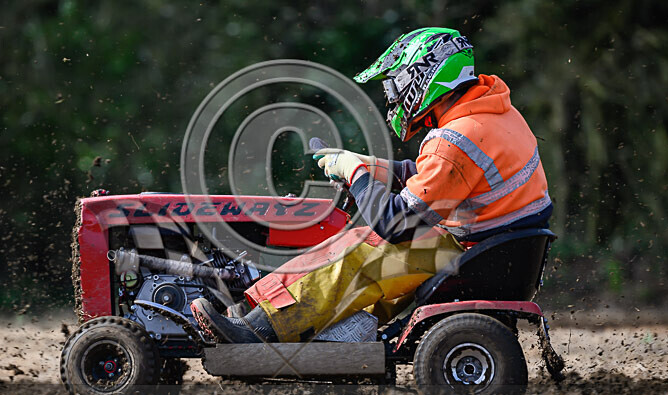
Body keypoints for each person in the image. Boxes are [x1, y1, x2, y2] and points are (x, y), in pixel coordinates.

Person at [191, 27, 552, 343]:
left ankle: (257, 331)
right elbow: (436, 176)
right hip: (501, 248)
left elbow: (396, 225)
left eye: (396, 84)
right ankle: (260, 314)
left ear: (427, 77)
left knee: (358, 252)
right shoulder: (493, 112)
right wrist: (369, 166)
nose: (393, 96)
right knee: (362, 245)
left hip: (474, 253)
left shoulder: (458, 138)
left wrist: (355, 175)